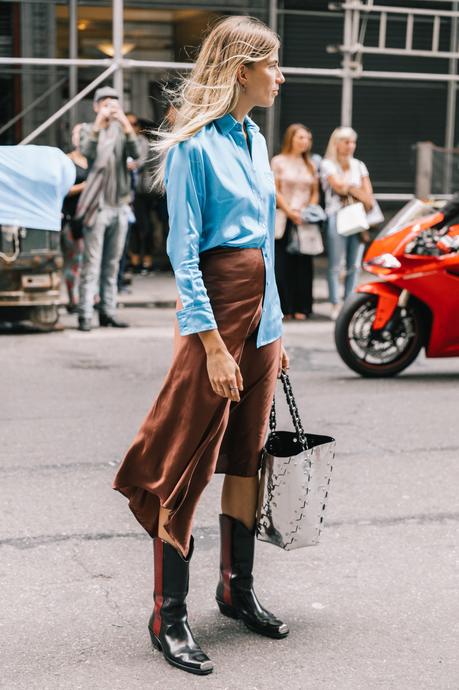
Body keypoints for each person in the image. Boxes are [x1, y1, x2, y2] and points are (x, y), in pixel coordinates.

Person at [113, 16, 288, 676]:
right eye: (271, 63)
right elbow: (182, 255)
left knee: (246, 458)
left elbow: (264, 246)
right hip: (214, 318)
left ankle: (235, 591)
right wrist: (211, 344)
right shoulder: (192, 145)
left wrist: (274, 331)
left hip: (261, 321)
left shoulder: (253, 138)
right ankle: (170, 613)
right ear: (240, 69)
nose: (280, 75)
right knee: (186, 461)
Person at [76, 86, 140, 331]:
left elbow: (137, 154)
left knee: (112, 263)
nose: (110, 107)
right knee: (91, 263)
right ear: (96, 106)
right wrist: (98, 125)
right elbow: (87, 154)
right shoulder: (86, 130)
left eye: (114, 103)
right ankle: (84, 315)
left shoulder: (122, 132)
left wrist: (125, 124)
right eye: (105, 103)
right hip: (97, 205)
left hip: (119, 204)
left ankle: (108, 312)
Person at [321, 127, 375, 320]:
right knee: (336, 264)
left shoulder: (359, 165)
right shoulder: (328, 164)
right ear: (336, 144)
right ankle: (335, 303)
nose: (350, 146)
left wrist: (350, 188)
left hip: (358, 217)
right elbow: (338, 187)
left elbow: (368, 195)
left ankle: (349, 303)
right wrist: (354, 187)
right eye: (346, 142)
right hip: (337, 216)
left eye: (353, 142)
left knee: (354, 264)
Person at [271, 124, 320, 319]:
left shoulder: (311, 164)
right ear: (290, 138)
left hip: (304, 219)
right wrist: (290, 211)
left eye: (307, 138)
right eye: (301, 138)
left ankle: (302, 306)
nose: (305, 142)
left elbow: (315, 192)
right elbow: (275, 190)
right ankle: (284, 307)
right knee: (282, 265)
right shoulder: (278, 161)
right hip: (284, 217)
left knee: (303, 266)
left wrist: (308, 210)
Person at [61, 123, 88, 313]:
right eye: (75, 134)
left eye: (81, 134)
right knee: (74, 260)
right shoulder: (67, 160)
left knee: (91, 262)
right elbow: (63, 189)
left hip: (92, 217)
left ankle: (90, 298)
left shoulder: (95, 159)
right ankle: (73, 300)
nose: (78, 137)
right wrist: (86, 185)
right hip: (72, 218)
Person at [126, 113, 157, 273]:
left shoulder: (142, 142)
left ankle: (145, 261)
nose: (131, 127)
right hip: (124, 191)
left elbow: (140, 162)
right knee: (131, 228)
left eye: (134, 124)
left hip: (141, 191)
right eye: (128, 123)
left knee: (144, 226)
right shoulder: (120, 141)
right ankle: (133, 260)